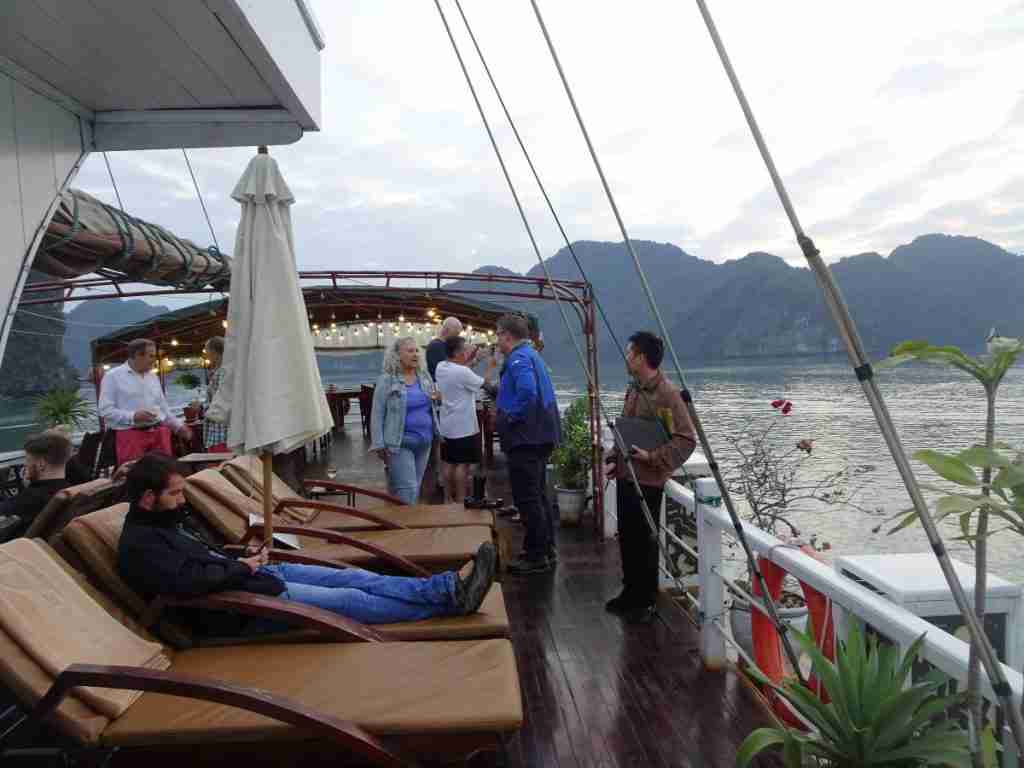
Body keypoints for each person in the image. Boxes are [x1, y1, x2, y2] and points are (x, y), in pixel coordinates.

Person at [116, 454, 497, 635]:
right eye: (175, 494)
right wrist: (241, 569)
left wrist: (242, 557)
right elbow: (186, 583)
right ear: (148, 498)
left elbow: (202, 558)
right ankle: (447, 605)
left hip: (256, 576)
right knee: (353, 602)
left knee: (358, 577)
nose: (183, 500)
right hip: (242, 604)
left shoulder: (166, 521)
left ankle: (445, 588)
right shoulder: (140, 544)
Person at [604, 331, 696, 624]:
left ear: (642, 357)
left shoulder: (668, 394)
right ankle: (629, 592)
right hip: (626, 475)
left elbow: (686, 439)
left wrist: (652, 458)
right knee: (627, 538)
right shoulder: (633, 389)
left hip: (649, 479)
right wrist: (613, 456)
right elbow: (627, 429)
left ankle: (646, 601)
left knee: (645, 541)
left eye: (630, 353)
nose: (627, 357)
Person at [493, 313, 561, 575]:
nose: (497, 339)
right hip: (541, 436)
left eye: (498, 334)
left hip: (526, 438)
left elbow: (528, 393)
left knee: (527, 498)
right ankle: (545, 548)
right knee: (539, 496)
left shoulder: (519, 359)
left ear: (507, 335)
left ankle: (536, 557)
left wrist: (509, 417)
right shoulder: (532, 355)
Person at [98, 338, 191, 465]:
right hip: (131, 436)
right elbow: (105, 410)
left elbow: (163, 409)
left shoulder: (153, 377)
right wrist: (133, 416)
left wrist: (178, 426)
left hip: (159, 434)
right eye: (151, 356)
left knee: (164, 476)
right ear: (137, 355)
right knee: (136, 477)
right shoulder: (112, 376)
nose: (154, 360)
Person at [370, 337, 440, 504]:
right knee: (409, 490)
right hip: (399, 443)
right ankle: (408, 528)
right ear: (397, 355)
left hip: (425, 442)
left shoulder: (424, 376)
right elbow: (377, 413)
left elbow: (432, 401)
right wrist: (379, 444)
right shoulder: (387, 380)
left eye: (417, 351)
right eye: (410, 351)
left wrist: (437, 398)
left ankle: (395, 524)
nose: (415, 354)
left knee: (403, 489)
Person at [435, 335, 496, 503]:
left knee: (448, 463)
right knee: (462, 465)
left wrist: (476, 358)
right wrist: (490, 365)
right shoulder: (463, 372)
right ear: (458, 353)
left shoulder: (441, 367)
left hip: (447, 425)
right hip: (463, 426)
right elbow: (486, 384)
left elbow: (462, 370)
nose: (469, 351)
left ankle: (448, 498)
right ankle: (461, 499)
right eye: (466, 349)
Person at [0, 431, 72, 537]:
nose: (25, 465)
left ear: (41, 464)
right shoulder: (69, 489)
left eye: (27, 460)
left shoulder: (31, 498)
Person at [202, 336, 228, 451]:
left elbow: (219, 403)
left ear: (214, 352)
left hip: (220, 432)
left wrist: (201, 407)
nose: (206, 355)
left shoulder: (222, 373)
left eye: (207, 351)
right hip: (222, 433)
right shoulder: (223, 371)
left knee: (220, 466)